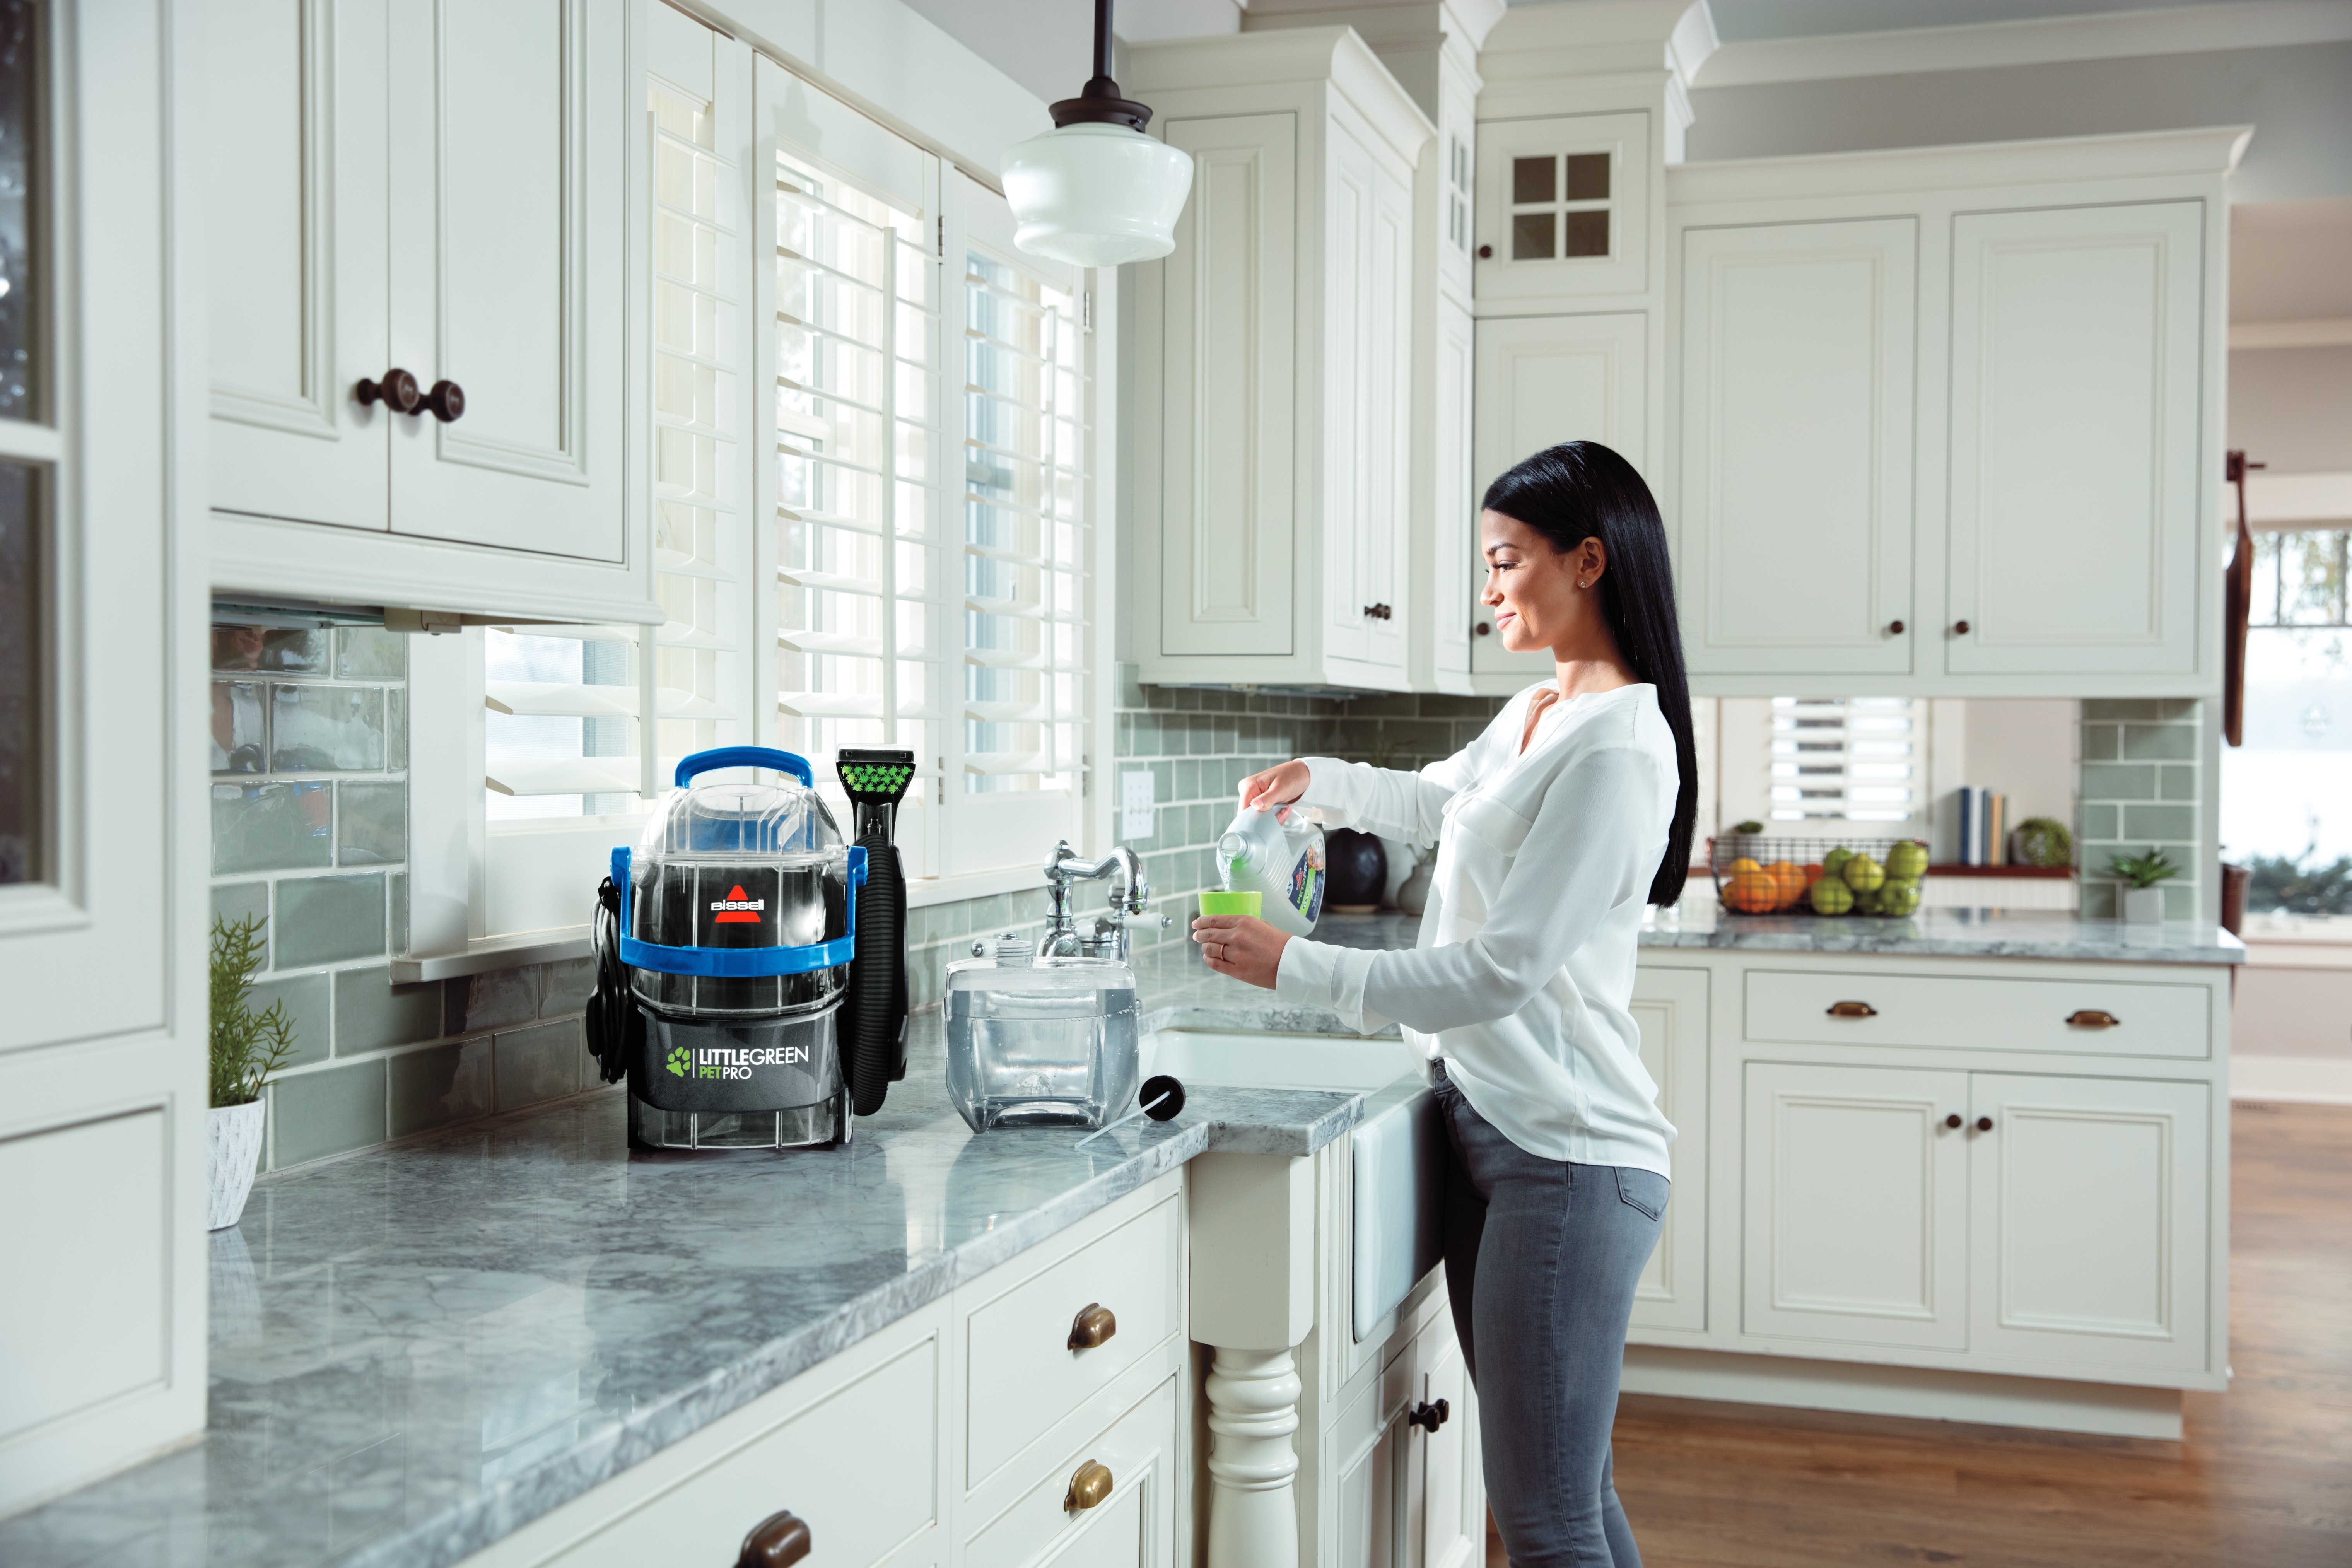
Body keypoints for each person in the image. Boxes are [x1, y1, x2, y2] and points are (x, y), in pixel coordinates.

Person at [1192, 441, 1697, 1568]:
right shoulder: (1539, 713)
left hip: (1566, 1157)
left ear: (1587, 562)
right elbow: (1437, 801)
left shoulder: (1619, 748)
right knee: (1567, 1499)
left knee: (1548, 1518)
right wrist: (1316, 782)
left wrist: (1298, 967)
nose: (1488, 589)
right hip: (1501, 1132)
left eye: (1505, 561)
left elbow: (1500, 968)